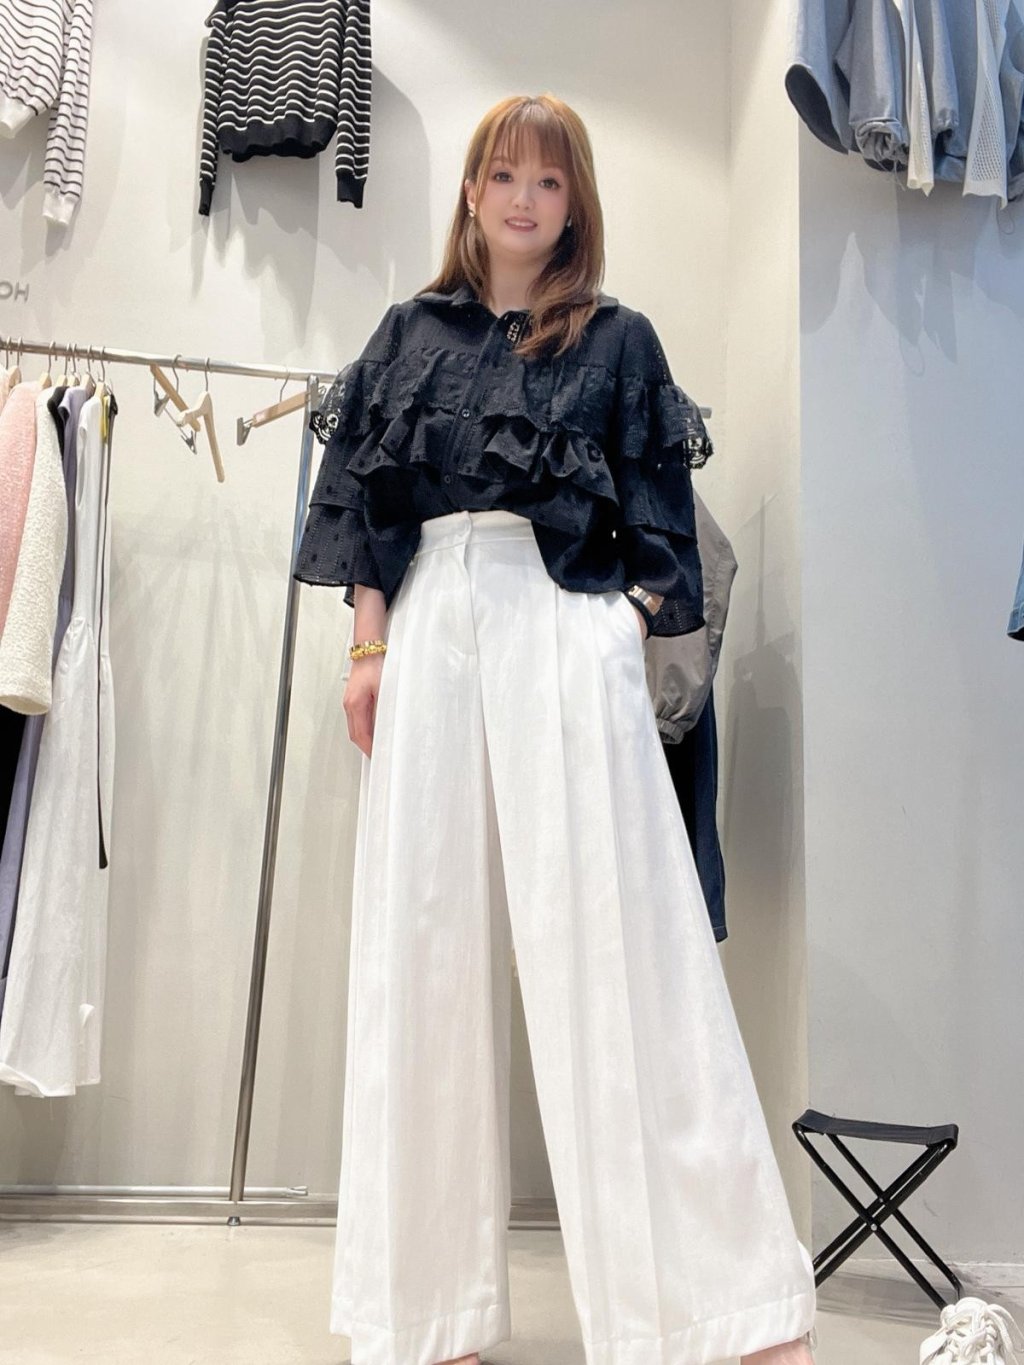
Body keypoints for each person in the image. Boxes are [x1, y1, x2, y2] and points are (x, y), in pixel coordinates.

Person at [294, 92, 818, 1365]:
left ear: (574, 201)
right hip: (430, 621)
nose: (523, 198)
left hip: (561, 616)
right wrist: (367, 649)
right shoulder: (405, 334)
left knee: (623, 943)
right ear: (471, 192)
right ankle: (426, 1317)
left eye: (548, 179)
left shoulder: (618, 339)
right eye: (503, 175)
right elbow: (367, 508)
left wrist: (612, 632)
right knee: (420, 947)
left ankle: (716, 1311)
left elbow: (663, 522)